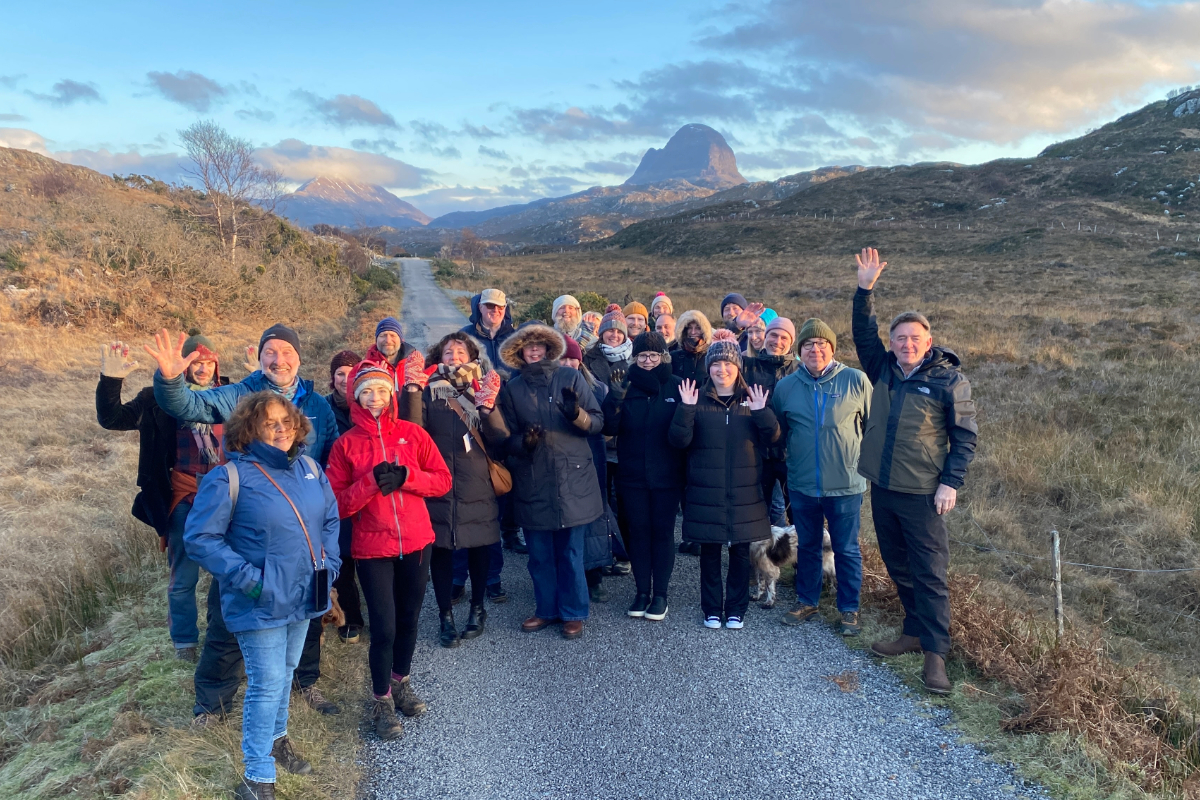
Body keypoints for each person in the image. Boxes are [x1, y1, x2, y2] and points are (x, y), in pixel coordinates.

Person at [144, 326, 341, 719]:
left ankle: (305, 683)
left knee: (309, 615)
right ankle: (212, 705)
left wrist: (329, 556)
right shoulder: (240, 395)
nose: (278, 359)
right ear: (260, 357)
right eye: (270, 351)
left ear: (299, 357)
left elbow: (331, 460)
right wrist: (169, 380)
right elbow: (189, 406)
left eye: (286, 351)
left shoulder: (317, 403)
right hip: (248, 534)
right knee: (227, 623)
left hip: (301, 537)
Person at [183, 391, 340, 800]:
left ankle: (277, 739)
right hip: (260, 601)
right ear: (248, 429)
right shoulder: (228, 477)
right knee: (267, 683)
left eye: (285, 421)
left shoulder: (309, 468)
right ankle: (257, 775)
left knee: (285, 674)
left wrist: (331, 563)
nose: (280, 429)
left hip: (307, 594)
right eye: (269, 423)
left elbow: (330, 519)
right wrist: (251, 580)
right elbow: (200, 538)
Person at [852, 247, 977, 695]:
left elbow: (965, 437)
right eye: (899, 337)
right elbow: (862, 334)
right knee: (898, 564)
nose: (906, 344)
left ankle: (936, 656)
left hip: (925, 493)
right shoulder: (883, 368)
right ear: (892, 343)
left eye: (914, 338)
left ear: (928, 342)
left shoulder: (948, 381)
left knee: (930, 572)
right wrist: (864, 289)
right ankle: (912, 631)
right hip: (883, 487)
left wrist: (950, 482)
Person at [326, 363, 452, 739]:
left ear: (392, 394)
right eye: (367, 392)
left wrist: (407, 478)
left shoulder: (413, 435)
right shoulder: (345, 444)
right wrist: (369, 483)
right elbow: (337, 504)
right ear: (356, 397)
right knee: (384, 626)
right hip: (372, 547)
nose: (375, 398)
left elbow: (442, 480)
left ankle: (400, 682)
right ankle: (380, 700)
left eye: (381, 390)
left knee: (410, 620)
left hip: (416, 542)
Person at [96, 334, 227, 661]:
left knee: (230, 571)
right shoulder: (157, 398)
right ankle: (185, 644)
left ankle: (222, 632)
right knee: (183, 577)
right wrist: (111, 380)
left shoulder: (231, 394)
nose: (202, 368)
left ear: (216, 364)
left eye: (208, 361)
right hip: (183, 495)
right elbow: (112, 419)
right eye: (194, 362)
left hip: (228, 496)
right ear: (182, 364)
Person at [483, 323, 605, 640]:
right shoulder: (514, 389)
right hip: (533, 480)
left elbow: (597, 422)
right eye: (528, 347)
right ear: (520, 352)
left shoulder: (570, 377)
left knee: (571, 554)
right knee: (539, 556)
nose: (534, 350)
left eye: (539, 345)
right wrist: (525, 444)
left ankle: (574, 613)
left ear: (549, 349)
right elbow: (504, 439)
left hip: (573, 480)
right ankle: (546, 609)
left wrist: (575, 413)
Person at [669, 330, 779, 629]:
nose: (722, 370)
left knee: (740, 552)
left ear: (738, 368)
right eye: (716, 365)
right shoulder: (697, 398)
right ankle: (712, 609)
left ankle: (736, 609)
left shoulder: (752, 399)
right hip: (707, 490)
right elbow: (679, 441)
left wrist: (761, 413)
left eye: (728, 364)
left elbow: (773, 439)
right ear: (709, 369)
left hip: (745, 492)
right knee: (710, 552)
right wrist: (686, 409)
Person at [400, 332, 504, 648]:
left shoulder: (483, 387)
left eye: (461, 351)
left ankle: (477, 608)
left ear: (472, 357)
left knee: (478, 547)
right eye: (448, 352)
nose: (454, 357)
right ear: (439, 357)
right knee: (442, 552)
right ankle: (445, 615)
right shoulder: (431, 391)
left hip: (476, 482)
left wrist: (488, 407)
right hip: (438, 483)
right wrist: (413, 389)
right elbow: (413, 432)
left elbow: (500, 437)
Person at [772, 318, 871, 636]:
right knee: (810, 545)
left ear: (832, 348)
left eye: (822, 344)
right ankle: (807, 601)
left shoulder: (856, 380)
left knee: (846, 548)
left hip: (845, 484)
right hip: (802, 484)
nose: (815, 349)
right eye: (808, 345)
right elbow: (779, 433)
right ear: (799, 351)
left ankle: (849, 609)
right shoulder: (786, 387)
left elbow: (874, 428)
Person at [602, 332, 685, 621]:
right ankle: (641, 591)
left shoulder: (676, 386)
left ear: (664, 356)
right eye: (642, 356)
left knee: (662, 534)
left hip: (666, 477)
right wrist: (614, 402)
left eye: (653, 355)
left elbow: (684, 432)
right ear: (634, 358)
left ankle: (660, 594)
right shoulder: (626, 386)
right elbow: (609, 429)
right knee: (637, 533)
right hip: (632, 474)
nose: (648, 361)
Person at [460, 289, 525, 554]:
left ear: (505, 309)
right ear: (479, 308)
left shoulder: (516, 336)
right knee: (480, 469)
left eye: (499, 307)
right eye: (489, 306)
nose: (494, 311)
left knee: (510, 469)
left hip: (510, 410)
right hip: (476, 412)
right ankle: (483, 529)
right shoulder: (466, 336)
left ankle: (509, 531)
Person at [744, 317, 801, 528]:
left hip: (791, 455)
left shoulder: (800, 371)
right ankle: (758, 558)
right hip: (757, 453)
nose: (777, 341)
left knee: (798, 511)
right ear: (765, 337)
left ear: (791, 342)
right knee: (757, 512)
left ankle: (802, 558)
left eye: (783, 337)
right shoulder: (748, 367)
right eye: (773, 335)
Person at [325, 349, 365, 644]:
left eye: (352, 373)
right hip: (335, 490)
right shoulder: (324, 409)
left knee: (371, 557)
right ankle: (350, 617)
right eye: (340, 373)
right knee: (342, 556)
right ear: (332, 378)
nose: (346, 379)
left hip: (369, 489)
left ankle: (380, 614)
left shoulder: (369, 403)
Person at [364, 316, 426, 394]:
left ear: (401, 340)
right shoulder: (367, 366)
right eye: (383, 335)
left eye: (393, 335)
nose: (388, 340)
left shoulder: (414, 364)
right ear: (376, 340)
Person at [583, 306, 632, 386]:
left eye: (619, 332)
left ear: (624, 337)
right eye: (610, 330)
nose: (615, 335)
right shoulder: (588, 357)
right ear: (602, 333)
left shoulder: (632, 358)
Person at [671, 310, 713, 384]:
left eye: (698, 328)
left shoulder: (711, 356)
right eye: (689, 328)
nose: (693, 332)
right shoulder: (673, 357)